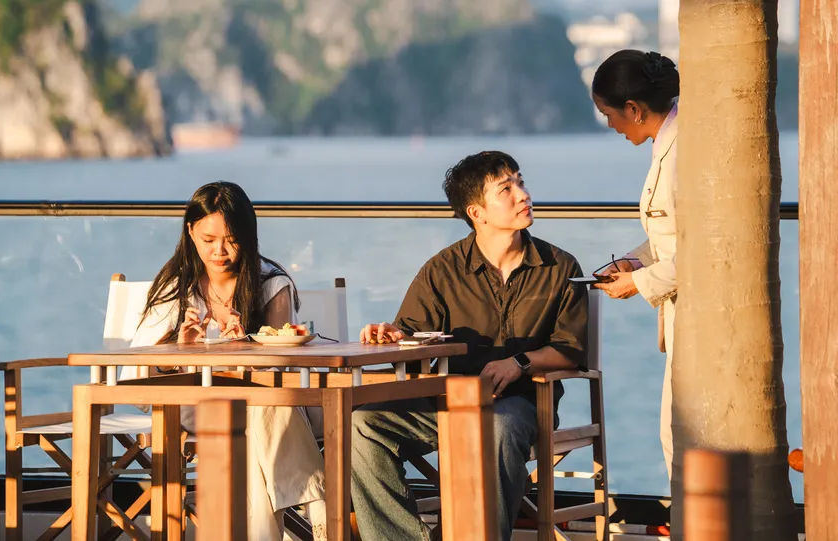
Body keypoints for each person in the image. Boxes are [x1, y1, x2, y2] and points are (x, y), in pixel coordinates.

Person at [351, 151, 589, 541]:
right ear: (476, 212)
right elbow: (413, 335)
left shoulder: (560, 267)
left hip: (523, 403)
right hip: (447, 402)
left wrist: (520, 362)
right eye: (506, 189)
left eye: (520, 182)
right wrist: (393, 336)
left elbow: (571, 349)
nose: (523, 195)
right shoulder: (442, 270)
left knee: (497, 427)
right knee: (363, 424)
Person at [125, 181, 327, 541]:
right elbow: (137, 380)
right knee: (264, 410)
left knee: (261, 413)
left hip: (265, 403)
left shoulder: (270, 283)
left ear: (248, 236)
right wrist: (178, 354)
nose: (219, 251)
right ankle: (323, 513)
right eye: (208, 239)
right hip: (196, 404)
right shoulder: (175, 287)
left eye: (231, 240)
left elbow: (284, 366)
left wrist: (244, 350)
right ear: (190, 232)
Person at [589, 49, 680, 479]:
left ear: (634, 109)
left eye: (609, 115)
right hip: (681, 311)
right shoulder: (667, 143)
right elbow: (673, 232)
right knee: (674, 436)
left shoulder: (684, 150)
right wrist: (631, 261)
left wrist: (639, 283)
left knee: (680, 439)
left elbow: (706, 248)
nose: (610, 125)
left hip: (700, 315)